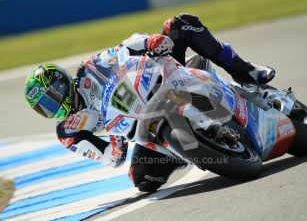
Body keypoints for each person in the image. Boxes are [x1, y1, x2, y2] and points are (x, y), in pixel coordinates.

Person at [24, 13, 275, 192]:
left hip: (160, 79)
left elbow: (123, 49)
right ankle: (189, 148)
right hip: (142, 128)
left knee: (179, 25)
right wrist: (116, 139)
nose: (55, 106)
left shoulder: (89, 70)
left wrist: (149, 42)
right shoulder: (69, 132)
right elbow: (111, 159)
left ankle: (246, 70)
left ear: (62, 82)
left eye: (53, 95)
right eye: (46, 107)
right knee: (143, 180)